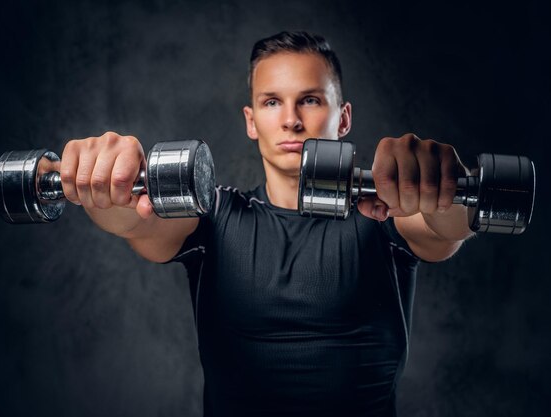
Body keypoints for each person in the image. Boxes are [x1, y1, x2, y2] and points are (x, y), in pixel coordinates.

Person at [58, 31, 472, 416]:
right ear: (251, 120)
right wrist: (103, 182)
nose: (290, 120)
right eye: (271, 102)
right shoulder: (214, 217)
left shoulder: (386, 216)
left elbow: (445, 226)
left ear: (343, 118)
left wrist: (443, 184)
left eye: (310, 100)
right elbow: (134, 221)